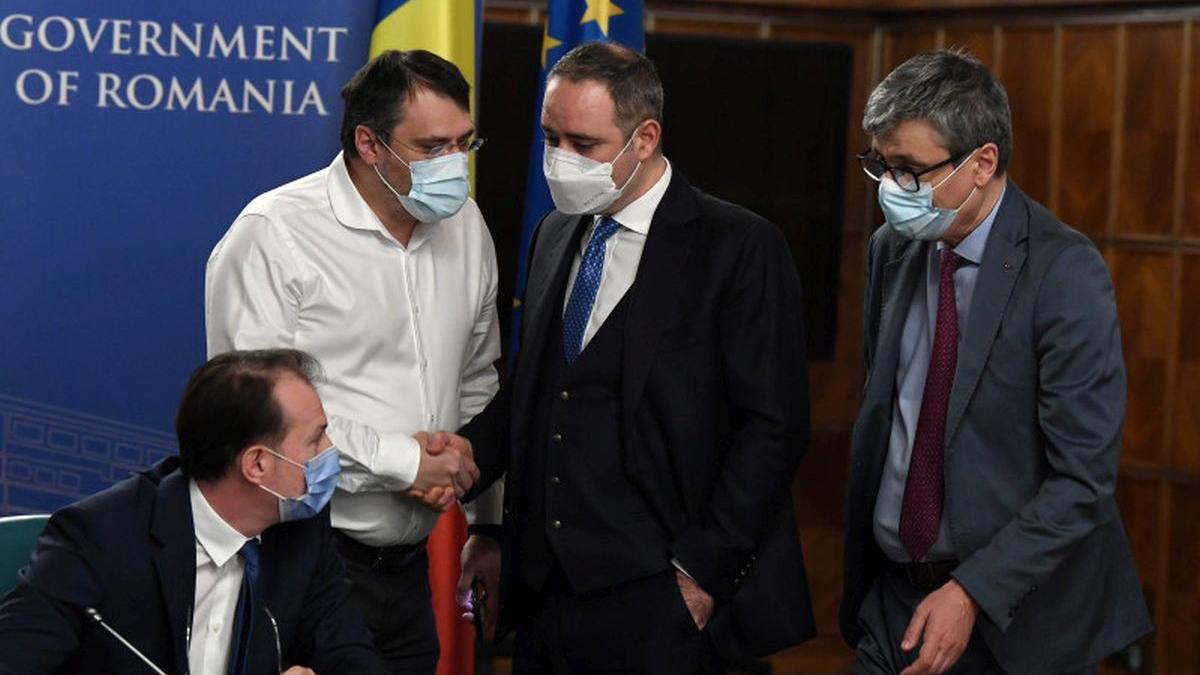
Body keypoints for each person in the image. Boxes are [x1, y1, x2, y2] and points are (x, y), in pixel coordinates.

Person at [449, 41, 815, 673]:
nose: (560, 160)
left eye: (584, 144)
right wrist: (465, 472)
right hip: (543, 595)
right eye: (551, 138)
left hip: (662, 596)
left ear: (645, 138)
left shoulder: (739, 247)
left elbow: (774, 428)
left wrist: (701, 573)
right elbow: (535, 390)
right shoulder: (553, 231)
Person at [841, 49, 1152, 675]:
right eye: (881, 165)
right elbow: (888, 411)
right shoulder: (891, 251)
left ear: (982, 163)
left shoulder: (1064, 272)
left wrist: (973, 591)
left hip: (1018, 620)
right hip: (895, 600)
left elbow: (1082, 479)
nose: (891, 189)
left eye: (910, 170)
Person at [205, 50, 497, 673]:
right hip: (301, 559)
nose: (454, 165)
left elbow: (476, 381)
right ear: (369, 143)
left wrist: (484, 521)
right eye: (431, 147)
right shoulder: (274, 233)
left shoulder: (467, 224)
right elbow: (255, 421)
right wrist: (406, 462)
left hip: (411, 570)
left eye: (463, 144)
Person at [0, 349, 386, 675]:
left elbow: (351, 656)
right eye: (316, 439)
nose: (330, 450)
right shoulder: (98, 538)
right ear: (257, 464)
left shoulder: (303, 529)